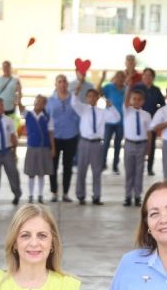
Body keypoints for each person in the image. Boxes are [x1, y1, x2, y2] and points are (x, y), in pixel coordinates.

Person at [71, 72, 120, 205]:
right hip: (84, 142)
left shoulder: (103, 112)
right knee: (81, 170)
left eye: (94, 96)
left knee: (96, 171)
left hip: (97, 144)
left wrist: (111, 106)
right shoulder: (83, 109)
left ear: (98, 98)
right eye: (90, 96)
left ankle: (96, 196)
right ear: (87, 98)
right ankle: (80, 195)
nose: (92, 98)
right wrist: (76, 92)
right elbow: (74, 103)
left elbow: (116, 118)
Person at [45, 75, 80, 203]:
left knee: (68, 166)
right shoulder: (50, 100)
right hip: (54, 136)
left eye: (65, 81)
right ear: (56, 84)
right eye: (60, 81)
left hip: (71, 136)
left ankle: (65, 193)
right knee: (53, 166)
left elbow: (80, 114)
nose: (63, 83)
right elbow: (47, 118)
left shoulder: (74, 99)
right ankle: (54, 192)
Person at [20, 94, 53, 204]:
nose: (38, 103)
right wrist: (19, 98)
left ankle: (40, 195)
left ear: (44, 104)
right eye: (37, 101)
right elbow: (21, 108)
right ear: (34, 102)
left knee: (41, 173)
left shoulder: (47, 117)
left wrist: (53, 148)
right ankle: (30, 195)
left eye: (41, 102)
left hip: (44, 147)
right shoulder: (28, 114)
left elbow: (51, 133)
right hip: (32, 147)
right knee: (31, 172)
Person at [122, 89, 152, 207]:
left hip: (142, 144)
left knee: (139, 172)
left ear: (143, 101)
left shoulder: (147, 115)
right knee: (129, 171)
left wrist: (149, 148)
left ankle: (137, 196)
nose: (136, 101)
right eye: (134, 99)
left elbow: (149, 132)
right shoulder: (127, 111)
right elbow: (125, 102)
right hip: (129, 144)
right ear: (130, 100)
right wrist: (128, 87)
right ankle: (128, 196)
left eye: (139, 99)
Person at [132, 68, 165, 176]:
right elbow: (131, 101)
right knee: (137, 143)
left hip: (152, 121)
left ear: (153, 77)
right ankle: (137, 167)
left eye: (150, 75)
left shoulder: (156, 90)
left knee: (151, 145)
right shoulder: (137, 87)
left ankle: (150, 168)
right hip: (138, 120)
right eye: (145, 75)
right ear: (142, 76)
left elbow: (162, 104)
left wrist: (157, 114)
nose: (147, 77)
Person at [102, 71, 127, 174]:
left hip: (121, 122)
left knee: (118, 144)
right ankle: (102, 164)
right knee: (106, 143)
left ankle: (115, 166)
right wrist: (102, 78)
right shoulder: (109, 87)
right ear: (115, 77)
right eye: (118, 76)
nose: (120, 79)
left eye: (122, 77)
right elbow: (98, 92)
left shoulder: (126, 89)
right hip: (109, 121)